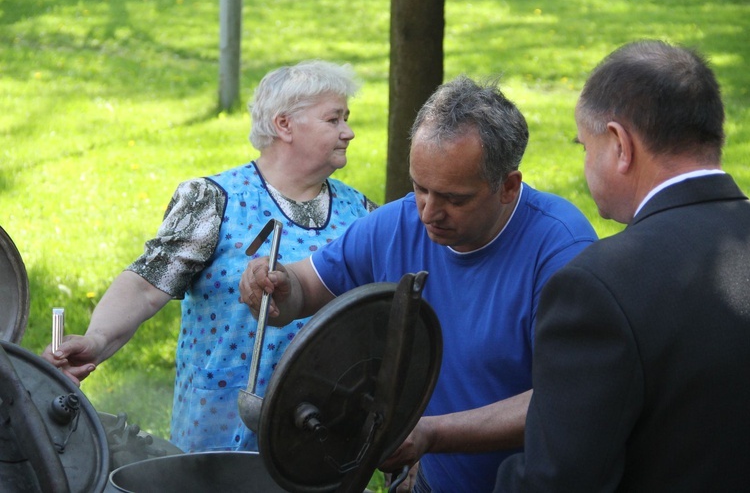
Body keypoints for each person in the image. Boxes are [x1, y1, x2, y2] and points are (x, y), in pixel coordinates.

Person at [240, 75, 598, 492]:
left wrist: (433, 434)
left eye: (454, 198)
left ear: (508, 187)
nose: (428, 213)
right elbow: (306, 285)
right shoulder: (397, 224)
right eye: (420, 188)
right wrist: (279, 284)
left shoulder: (560, 249)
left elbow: (566, 400)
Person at [42, 60, 377, 453]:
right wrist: (96, 341)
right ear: (284, 125)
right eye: (334, 120)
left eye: (346, 119)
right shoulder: (215, 200)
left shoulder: (365, 215)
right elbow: (146, 287)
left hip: (324, 430)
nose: (348, 132)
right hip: (220, 427)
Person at [494, 40, 750, 492]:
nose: (587, 162)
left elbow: (558, 482)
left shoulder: (597, 288)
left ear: (619, 144)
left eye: (584, 146)